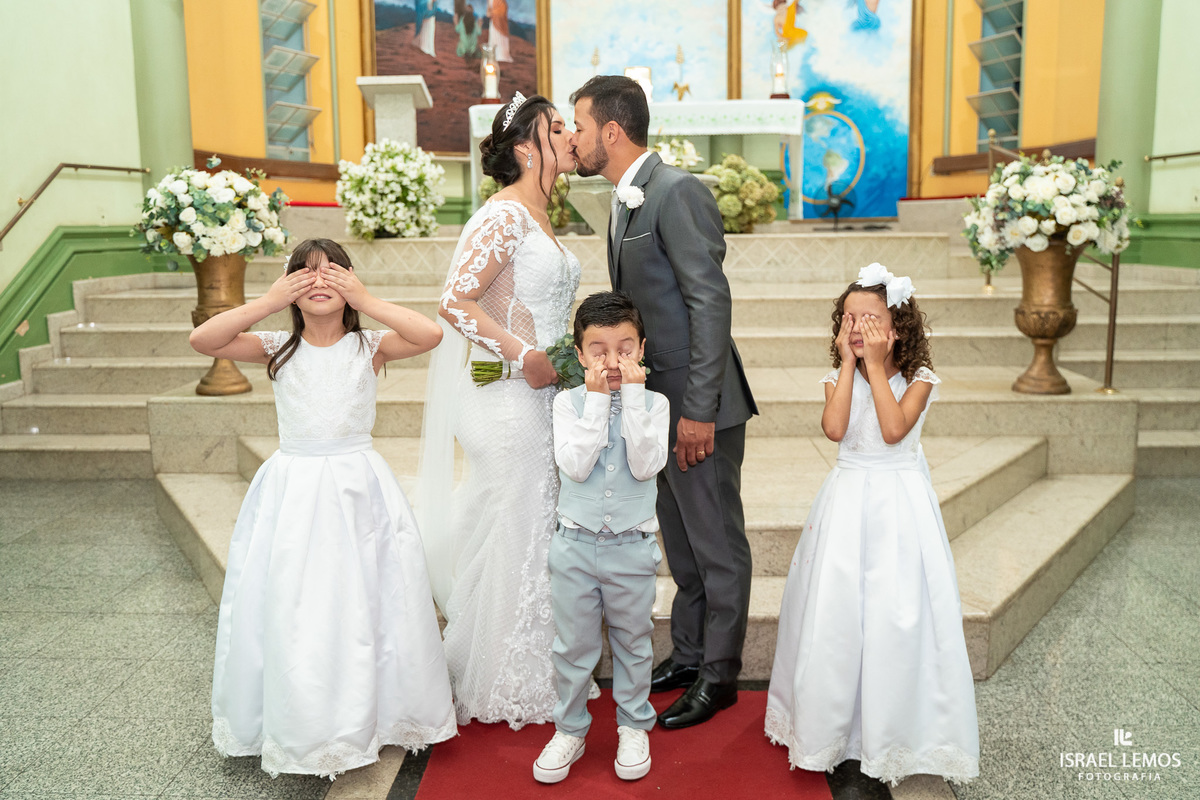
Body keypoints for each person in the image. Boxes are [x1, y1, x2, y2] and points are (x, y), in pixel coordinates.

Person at [191, 238, 456, 778]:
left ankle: (378, 713)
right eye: (305, 275)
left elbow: (429, 334)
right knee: (299, 601)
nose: (318, 283)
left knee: (368, 598)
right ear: (290, 286)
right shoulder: (276, 345)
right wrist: (268, 300)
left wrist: (364, 297)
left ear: (350, 282)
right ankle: (303, 717)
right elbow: (204, 338)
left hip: (359, 487)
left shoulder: (370, 346)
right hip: (295, 488)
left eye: (331, 273)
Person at [568, 75, 757, 730]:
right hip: (659, 406)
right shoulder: (622, 204)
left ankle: (721, 676)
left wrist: (698, 408)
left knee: (717, 543)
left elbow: (711, 302)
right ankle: (692, 652)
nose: (576, 139)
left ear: (612, 132)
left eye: (581, 127)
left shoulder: (677, 192)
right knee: (681, 542)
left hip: (700, 405)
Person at [765, 263, 979, 785]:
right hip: (846, 503)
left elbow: (892, 430)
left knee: (894, 612)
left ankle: (897, 727)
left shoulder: (920, 380)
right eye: (849, 317)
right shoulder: (836, 376)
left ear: (897, 326)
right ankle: (832, 725)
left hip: (898, 506)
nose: (858, 326)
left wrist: (878, 369)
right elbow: (836, 429)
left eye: (871, 317)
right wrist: (847, 365)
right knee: (837, 612)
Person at [416, 92, 582, 729]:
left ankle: (536, 664)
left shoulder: (542, 217)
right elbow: (456, 303)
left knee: (533, 523)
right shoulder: (504, 216)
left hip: (540, 394)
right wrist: (525, 356)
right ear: (524, 148)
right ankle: (500, 676)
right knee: (514, 519)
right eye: (556, 129)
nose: (569, 137)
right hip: (505, 395)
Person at [533, 291, 669, 785]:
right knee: (573, 645)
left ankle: (634, 725)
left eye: (625, 348)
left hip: (632, 545)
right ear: (579, 353)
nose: (613, 361)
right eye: (599, 349)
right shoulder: (567, 404)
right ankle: (570, 728)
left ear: (642, 348)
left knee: (633, 641)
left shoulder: (656, 403)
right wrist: (596, 403)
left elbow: (645, 463)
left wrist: (630, 399)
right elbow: (574, 464)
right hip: (574, 546)